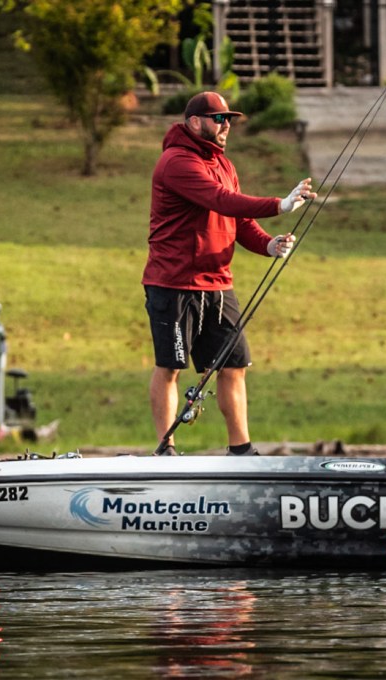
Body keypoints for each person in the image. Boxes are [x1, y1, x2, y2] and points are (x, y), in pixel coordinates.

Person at [143, 91, 316, 456]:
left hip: (218, 285)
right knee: (170, 366)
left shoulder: (224, 165)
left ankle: (241, 450)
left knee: (234, 365)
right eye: (219, 119)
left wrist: (268, 245)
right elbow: (220, 200)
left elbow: (239, 219)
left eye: (230, 120)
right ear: (195, 122)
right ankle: (166, 449)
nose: (227, 126)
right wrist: (280, 205)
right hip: (173, 284)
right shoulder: (176, 162)